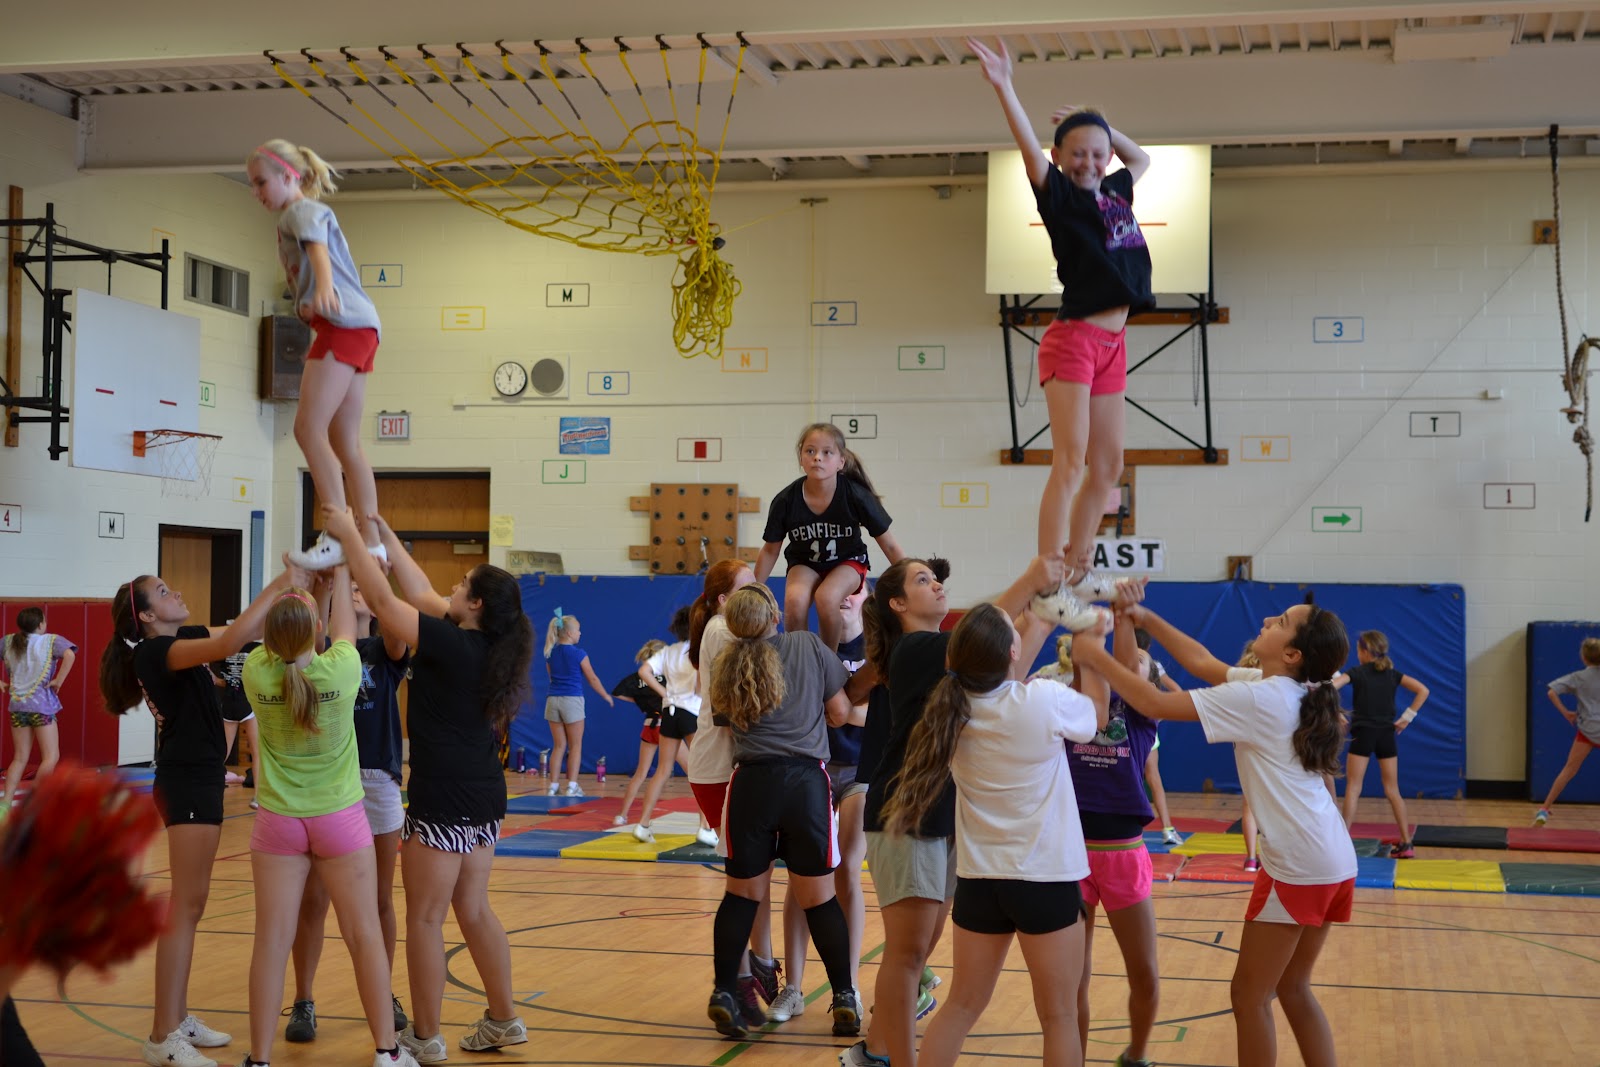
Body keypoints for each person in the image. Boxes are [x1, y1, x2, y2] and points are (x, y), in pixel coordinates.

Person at [1075, 597, 1356, 1067]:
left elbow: (1151, 701)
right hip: (1334, 861)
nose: (1267, 620)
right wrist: (1145, 617)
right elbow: (1203, 663)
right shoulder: (1287, 687)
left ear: (1292, 654)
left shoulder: (1263, 697)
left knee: (1249, 998)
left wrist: (1094, 655)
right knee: (1292, 988)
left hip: (1301, 865)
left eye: (1281, 622)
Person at [842, 553, 1067, 1067]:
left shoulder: (950, 657)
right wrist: (1032, 579)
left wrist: (1048, 608)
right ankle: (896, 1061)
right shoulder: (915, 649)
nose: (937, 584)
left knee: (920, 952)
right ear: (898, 603)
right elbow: (986, 635)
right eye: (923, 580)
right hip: (905, 813)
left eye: (937, 577)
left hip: (946, 814)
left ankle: (872, 1052)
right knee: (906, 955)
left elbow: (1008, 660)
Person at [325, 508, 534, 1059]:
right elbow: (416, 590)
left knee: (423, 917)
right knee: (474, 908)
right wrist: (382, 531)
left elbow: (391, 605)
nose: (452, 585)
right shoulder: (483, 644)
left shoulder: (450, 644)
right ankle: (504, 1018)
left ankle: (424, 1036)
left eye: (463, 584)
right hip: (484, 794)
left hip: (442, 797)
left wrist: (349, 539)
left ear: (477, 605)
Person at [967, 37, 1153, 617]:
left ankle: (1076, 569)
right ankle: (1048, 581)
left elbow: (1140, 159)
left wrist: (1101, 127)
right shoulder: (1061, 199)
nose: (1090, 163)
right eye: (1078, 154)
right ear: (1060, 155)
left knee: (1109, 467)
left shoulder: (1118, 192)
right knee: (1070, 461)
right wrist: (1005, 85)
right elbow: (1029, 151)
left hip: (1114, 343)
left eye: (1098, 154)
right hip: (1073, 338)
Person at [882, 603, 1109, 1067]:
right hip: (1045, 878)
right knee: (1060, 1016)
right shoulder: (1041, 699)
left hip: (981, 883)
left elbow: (995, 679)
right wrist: (1092, 653)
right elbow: (1098, 716)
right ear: (1013, 650)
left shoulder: (951, 709)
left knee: (961, 1007)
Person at [99, 564, 304, 1067]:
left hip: (203, 778)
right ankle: (161, 1033)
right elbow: (233, 637)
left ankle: (179, 1015)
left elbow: (247, 631)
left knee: (192, 907)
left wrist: (297, 593)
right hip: (185, 781)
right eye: (164, 592)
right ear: (146, 615)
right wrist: (281, 582)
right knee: (184, 909)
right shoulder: (154, 652)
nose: (178, 592)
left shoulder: (183, 635)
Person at [239, 567, 417, 1067]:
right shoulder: (340, 667)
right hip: (339, 820)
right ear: (315, 628)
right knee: (363, 935)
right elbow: (341, 628)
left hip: (277, 823)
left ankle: (259, 1058)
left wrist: (290, 581)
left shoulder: (257, 670)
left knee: (271, 941)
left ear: (270, 638)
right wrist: (340, 568)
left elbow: (279, 631)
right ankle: (387, 1050)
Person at [703, 584, 860, 1041]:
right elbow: (838, 712)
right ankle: (845, 996)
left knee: (741, 896)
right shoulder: (807, 644)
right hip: (806, 785)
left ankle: (724, 992)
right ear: (774, 614)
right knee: (820, 899)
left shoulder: (724, 665)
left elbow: (730, 725)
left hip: (751, 782)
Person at [247, 139, 385, 571]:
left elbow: (317, 250)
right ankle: (373, 540)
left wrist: (323, 288)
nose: (257, 193)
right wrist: (309, 300)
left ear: (289, 176)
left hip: (342, 324)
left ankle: (338, 533)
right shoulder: (296, 214)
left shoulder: (299, 211)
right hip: (361, 325)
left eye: (260, 182)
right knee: (345, 441)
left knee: (308, 429)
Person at [284, 581, 412, 1042]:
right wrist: (325, 585)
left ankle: (385, 990)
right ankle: (303, 999)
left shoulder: (383, 648)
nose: (357, 591)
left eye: (364, 588)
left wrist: (376, 584)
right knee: (313, 900)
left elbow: (398, 633)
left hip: (377, 779)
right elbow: (311, 635)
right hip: (329, 781)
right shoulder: (322, 654)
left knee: (380, 899)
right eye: (349, 587)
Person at [1065, 606, 1165, 1067]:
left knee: (1143, 973)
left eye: (1140, 665)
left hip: (1123, 856)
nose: (1131, 668)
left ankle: (1138, 1054)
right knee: (1072, 980)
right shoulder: (1067, 701)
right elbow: (1095, 667)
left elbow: (1124, 670)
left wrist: (1123, 620)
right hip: (1070, 857)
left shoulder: (1143, 714)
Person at [772, 583, 875, 1024]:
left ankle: (846, 988)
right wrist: (847, 709)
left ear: (869, 595)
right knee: (802, 877)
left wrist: (847, 711)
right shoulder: (810, 645)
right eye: (840, 590)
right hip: (811, 769)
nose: (847, 597)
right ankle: (792, 988)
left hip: (860, 771)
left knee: (848, 867)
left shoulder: (882, 646)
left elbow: (877, 713)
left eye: (857, 589)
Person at [684, 560, 781, 1020]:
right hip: (721, 767)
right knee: (743, 881)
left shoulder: (729, 630)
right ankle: (741, 977)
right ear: (725, 600)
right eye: (749, 586)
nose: (759, 591)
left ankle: (759, 962)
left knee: (753, 876)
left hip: (727, 764)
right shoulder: (725, 630)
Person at [754, 423, 905, 649]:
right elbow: (770, 549)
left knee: (827, 597)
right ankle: (801, 659)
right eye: (810, 451)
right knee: (794, 602)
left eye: (827, 452)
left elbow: (890, 544)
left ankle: (827, 660)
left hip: (847, 562)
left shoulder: (856, 496)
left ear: (840, 462)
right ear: (801, 459)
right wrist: (754, 586)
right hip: (804, 562)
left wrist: (909, 578)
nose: (817, 458)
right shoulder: (786, 500)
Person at [1333, 630, 1429, 856]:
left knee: (1354, 787)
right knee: (1392, 790)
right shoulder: (1392, 674)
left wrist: (1337, 711)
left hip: (1363, 733)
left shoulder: (1357, 672)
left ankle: (1343, 842)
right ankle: (1407, 843)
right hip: (1386, 734)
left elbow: (1329, 686)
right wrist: (1407, 717)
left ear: (1365, 651)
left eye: (1358, 650)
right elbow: (1423, 690)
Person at [631, 607, 712, 845]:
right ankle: (705, 827)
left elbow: (643, 671)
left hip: (670, 712)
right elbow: (699, 680)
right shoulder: (697, 651)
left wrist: (665, 693)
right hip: (690, 713)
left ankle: (643, 824)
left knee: (663, 770)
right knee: (702, 771)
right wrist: (697, 693)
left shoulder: (668, 651)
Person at [0, 607, 74, 818]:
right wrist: (59, 679)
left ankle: (4, 805)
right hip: (42, 707)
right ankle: (35, 803)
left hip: (18, 706)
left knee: (19, 758)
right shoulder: (50, 641)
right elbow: (69, 654)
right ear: (41, 624)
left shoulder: (8, 641)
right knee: (50, 756)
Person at [543, 610, 613, 797]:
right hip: (572, 700)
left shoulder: (550, 653)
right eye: (578, 630)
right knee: (575, 745)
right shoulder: (579, 654)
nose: (580, 633)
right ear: (569, 633)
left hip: (552, 700)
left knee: (559, 745)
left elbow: (552, 677)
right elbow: (592, 678)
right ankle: (572, 786)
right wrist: (605, 695)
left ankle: (553, 785)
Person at [1534, 636, 1600, 825]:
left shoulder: (1578, 677)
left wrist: (1565, 713)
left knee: (1569, 769)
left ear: (1584, 657)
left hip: (1587, 731)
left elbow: (1551, 691)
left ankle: (1544, 810)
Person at [612, 638, 674, 827]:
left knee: (640, 773)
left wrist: (639, 701)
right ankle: (705, 818)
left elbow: (617, 692)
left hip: (649, 725)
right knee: (690, 769)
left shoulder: (638, 678)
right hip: (667, 726)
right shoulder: (668, 675)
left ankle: (622, 815)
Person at [215, 639, 261, 809]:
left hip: (228, 703)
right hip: (248, 703)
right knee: (257, 752)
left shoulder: (228, 646)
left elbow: (221, 681)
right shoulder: (257, 649)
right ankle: (258, 797)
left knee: (222, 753)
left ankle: (210, 790)